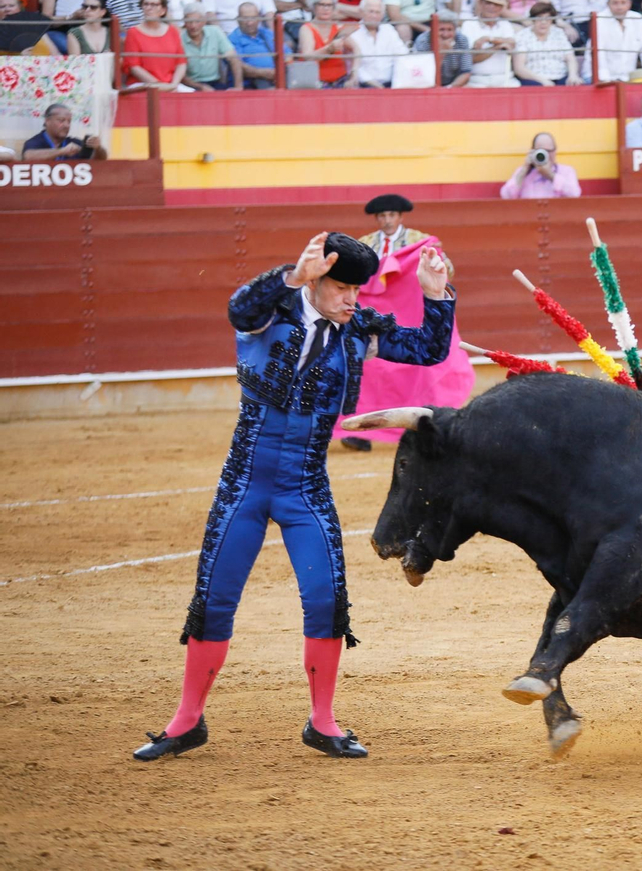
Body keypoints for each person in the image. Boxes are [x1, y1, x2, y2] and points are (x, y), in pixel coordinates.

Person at [130, 231, 456, 763]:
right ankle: (186, 720)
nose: (354, 299)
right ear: (316, 281)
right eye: (344, 288)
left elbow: (429, 348)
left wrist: (436, 294)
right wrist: (290, 276)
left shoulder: (358, 330)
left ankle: (322, 722)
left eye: (359, 289)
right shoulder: (271, 309)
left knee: (328, 601)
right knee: (213, 601)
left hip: (306, 484)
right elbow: (239, 307)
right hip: (244, 484)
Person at [338, 194, 468, 453]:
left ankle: (423, 424)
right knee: (368, 373)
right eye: (382, 216)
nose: (386, 220)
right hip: (376, 318)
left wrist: (435, 265)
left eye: (391, 215)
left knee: (419, 372)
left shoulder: (421, 242)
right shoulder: (365, 244)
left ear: (400, 217)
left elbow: (447, 271)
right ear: (377, 219)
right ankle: (363, 430)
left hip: (411, 316)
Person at [120, 0, 186, 89]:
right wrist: (160, 85)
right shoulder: (133, 32)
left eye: (154, 5)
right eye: (146, 4)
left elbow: (181, 62)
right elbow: (134, 67)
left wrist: (174, 84)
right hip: (142, 85)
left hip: (171, 84)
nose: (149, 8)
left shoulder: (172, 31)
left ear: (163, 10)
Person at [593, 0, 642, 83]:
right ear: (608, 3)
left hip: (629, 79)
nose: (619, 7)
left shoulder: (637, 19)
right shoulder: (599, 20)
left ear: (629, 3)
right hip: (601, 80)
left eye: (623, 2)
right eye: (615, 3)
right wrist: (606, 80)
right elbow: (599, 55)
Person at [345, 0, 409, 88]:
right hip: (364, 86)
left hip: (392, 84)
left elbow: (402, 55)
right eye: (371, 12)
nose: (374, 16)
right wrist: (376, 86)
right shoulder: (353, 33)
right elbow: (353, 67)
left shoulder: (389, 30)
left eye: (378, 12)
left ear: (383, 14)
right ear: (361, 12)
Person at [460, 0, 517, 88]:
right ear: (481, 4)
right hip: (476, 79)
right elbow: (472, 58)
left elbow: (512, 43)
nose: (492, 7)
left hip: (505, 78)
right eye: (488, 3)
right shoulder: (469, 24)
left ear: (501, 8)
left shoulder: (506, 24)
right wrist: (496, 47)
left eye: (496, 4)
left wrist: (488, 39)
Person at [179, 2, 242, 91]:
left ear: (204, 21)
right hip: (191, 86)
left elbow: (234, 59)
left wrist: (238, 87)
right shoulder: (179, 38)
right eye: (189, 22)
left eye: (197, 21)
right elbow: (180, 75)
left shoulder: (215, 32)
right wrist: (200, 87)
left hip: (215, 83)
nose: (193, 26)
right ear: (184, 21)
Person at [298, 0, 351, 88]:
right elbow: (307, 57)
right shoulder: (306, 29)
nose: (326, 8)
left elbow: (356, 49)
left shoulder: (338, 27)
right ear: (314, 7)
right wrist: (329, 49)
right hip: (317, 84)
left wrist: (354, 72)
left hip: (341, 81)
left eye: (329, 5)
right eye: (321, 5)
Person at [500, 133, 581, 198]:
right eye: (541, 151)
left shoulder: (566, 171)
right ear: (533, 151)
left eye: (548, 151)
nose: (545, 155)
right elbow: (506, 196)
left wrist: (550, 175)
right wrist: (524, 170)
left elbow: (574, 194)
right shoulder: (522, 172)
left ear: (555, 151)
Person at [21, 103, 107, 161]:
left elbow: (100, 161)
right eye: (61, 120)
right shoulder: (36, 141)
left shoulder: (74, 143)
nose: (66, 125)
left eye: (69, 121)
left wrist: (98, 148)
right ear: (47, 121)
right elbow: (28, 156)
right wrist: (62, 151)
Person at [414, 8, 474, 87]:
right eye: (441, 30)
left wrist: (449, 89)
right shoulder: (423, 41)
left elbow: (466, 72)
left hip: (453, 85)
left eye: (450, 30)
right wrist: (442, 53)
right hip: (428, 84)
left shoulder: (461, 40)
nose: (445, 34)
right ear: (433, 29)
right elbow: (423, 74)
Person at [228, 2, 277, 89]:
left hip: (277, 78)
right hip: (252, 82)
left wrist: (281, 72)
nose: (249, 23)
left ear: (259, 19)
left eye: (253, 18)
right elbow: (238, 65)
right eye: (245, 19)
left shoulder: (268, 34)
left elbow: (287, 55)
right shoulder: (233, 39)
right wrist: (265, 73)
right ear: (238, 20)